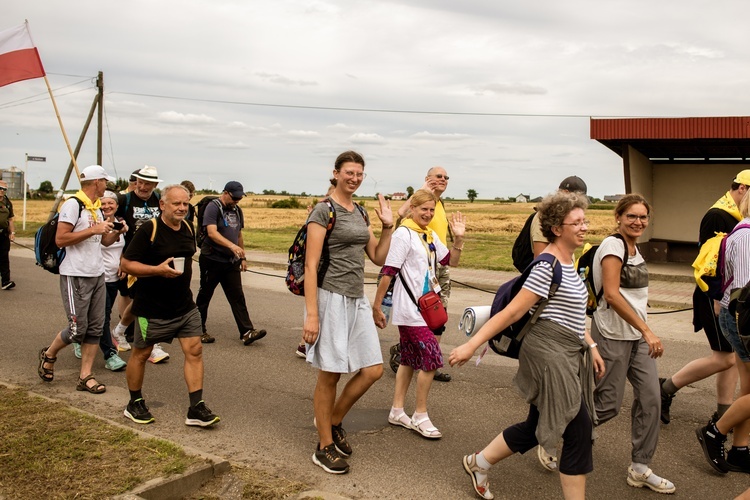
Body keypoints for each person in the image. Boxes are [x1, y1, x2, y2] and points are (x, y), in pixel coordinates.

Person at [448, 191, 604, 500]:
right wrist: (470, 345)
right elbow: (512, 312)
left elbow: (568, 313)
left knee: (537, 425)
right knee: (578, 428)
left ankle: (478, 463)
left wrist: (591, 345)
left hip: (566, 352)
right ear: (557, 228)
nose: (584, 227)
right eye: (576, 222)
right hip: (547, 355)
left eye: (584, 221)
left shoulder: (568, 261)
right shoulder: (546, 265)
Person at [303, 151, 394, 474]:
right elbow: (311, 266)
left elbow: (378, 257)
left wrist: (387, 227)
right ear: (336, 173)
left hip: (355, 298)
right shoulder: (322, 210)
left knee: (373, 370)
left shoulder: (359, 212)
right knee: (330, 372)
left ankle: (332, 419)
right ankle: (323, 445)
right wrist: (312, 314)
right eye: (349, 173)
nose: (354, 178)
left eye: (359, 174)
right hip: (329, 298)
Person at [589, 194, 674, 493]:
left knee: (651, 398)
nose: (638, 221)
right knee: (608, 405)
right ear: (619, 217)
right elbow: (611, 294)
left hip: (637, 336)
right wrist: (649, 331)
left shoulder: (636, 249)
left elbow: (634, 297)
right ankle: (561, 432)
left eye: (643, 217)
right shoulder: (612, 246)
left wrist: (644, 329)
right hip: (612, 335)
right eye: (632, 216)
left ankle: (640, 468)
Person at [120, 184, 219, 427]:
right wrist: (157, 270)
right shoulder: (149, 230)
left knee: (194, 350)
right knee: (141, 354)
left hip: (184, 305)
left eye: (185, 203)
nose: (182, 208)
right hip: (151, 308)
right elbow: (126, 264)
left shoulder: (186, 227)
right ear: (162, 205)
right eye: (176, 203)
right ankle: (134, 402)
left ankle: (196, 407)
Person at [373, 189, 465, 439]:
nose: (428, 213)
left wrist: (458, 239)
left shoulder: (430, 234)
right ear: (412, 208)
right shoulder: (404, 234)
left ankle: (397, 410)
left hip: (426, 307)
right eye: (423, 209)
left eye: (431, 210)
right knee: (432, 358)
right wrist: (377, 306)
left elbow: (450, 262)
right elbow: (388, 270)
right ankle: (420, 415)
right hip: (410, 309)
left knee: (409, 359)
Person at [660, 171, 750, 425]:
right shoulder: (718, 215)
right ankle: (665, 388)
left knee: (731, 357)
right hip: (716, 297)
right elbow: (709, 263)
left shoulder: (736, 216)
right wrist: (717, 300)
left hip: (728, 298)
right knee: (725, 358)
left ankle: (724, 412)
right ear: (742, 189)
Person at [37, 165, 123, 394]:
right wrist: (93, 231)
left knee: (95, 327)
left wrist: (116, 232)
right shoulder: (73, 205)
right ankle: (49, 354)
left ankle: (85, 376)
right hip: (75, 274)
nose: (107, 185)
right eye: (105, 181)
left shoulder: (95, 208)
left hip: (97, 274)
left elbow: (102, 242)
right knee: (78, 329)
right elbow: (61, 239)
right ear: (96, 182)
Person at [698, 189, 750, 472]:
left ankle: (740, 450)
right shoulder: (746, 236)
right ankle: (715, 431)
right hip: (744, 318)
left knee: (748, 389)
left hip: (740, 317)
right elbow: (745, 291)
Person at [389, 166, 454, 383]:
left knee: (438, 313)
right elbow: (401, 215)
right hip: (421, 264)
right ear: (428, 179)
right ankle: (421, 355)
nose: (443, 180)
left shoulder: (439, 205)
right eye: (438, 176)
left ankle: (422, 354)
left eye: (446, 177)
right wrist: (421, 189)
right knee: (426, 314)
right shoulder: (420, 201)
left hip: (438, 263)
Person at [195, 181, 267, 345]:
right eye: (234, 198)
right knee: (205, 295)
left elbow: (238, 234)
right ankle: (198, 330)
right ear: (226, 193)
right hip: (211, 259)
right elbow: (212, 233)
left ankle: (247, 331)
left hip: (230, 262)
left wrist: (242, 257)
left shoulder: (236, 210)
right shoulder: (213, 207)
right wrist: (232, 246)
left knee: (237, 296)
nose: (236, 201)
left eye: (239, 199)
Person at [111, 165, 169, 363]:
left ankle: (119, 331)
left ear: (155, 184)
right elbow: (113, 227)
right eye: (140, 182)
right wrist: (121, 260)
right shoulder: (123, 200)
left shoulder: (159, 200)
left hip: (153, 259)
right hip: (130, 259)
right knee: (143, 299)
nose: (142, 187)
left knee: (142, 300)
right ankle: (150, 343)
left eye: (147, 183)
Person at [72, 190, 129, 371]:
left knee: (95, 315)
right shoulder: (94, 224)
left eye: (110, 203)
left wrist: (123, 263)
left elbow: (120, 248)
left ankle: (78, 337)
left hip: (114, 277)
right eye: (102, 204)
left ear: (117, 206)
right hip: (97, 276)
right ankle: (110, 354)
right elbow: (100, 244)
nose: (106, 207)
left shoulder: (120, 223)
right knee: (102, 317)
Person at [0, 179, 16, 290]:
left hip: (3, 234)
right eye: (0, 188)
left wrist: (12, 232)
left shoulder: (7, 203)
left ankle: (6, 281)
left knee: (4, 257)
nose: (1, 191)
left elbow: (10, 219)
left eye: (4, 189)